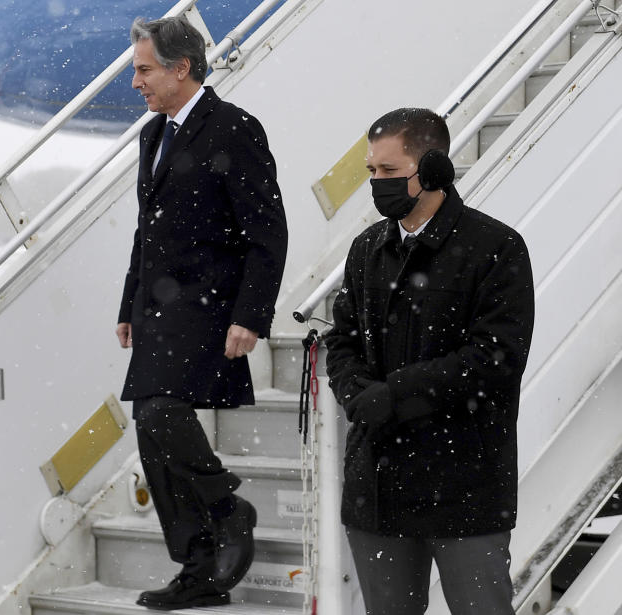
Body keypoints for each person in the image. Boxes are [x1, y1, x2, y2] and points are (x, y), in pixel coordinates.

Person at [324, 108, 535, 614]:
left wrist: (394, 394)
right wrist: (354, 392)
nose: (377, 183)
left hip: (465, 486)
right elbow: (342, 339)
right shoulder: (366, 250)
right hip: (377, 485)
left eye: (390, 172)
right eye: (372, 171)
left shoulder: (496, 248)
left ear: (434, 170)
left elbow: (495, 358)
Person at [116, 16, 288, 611]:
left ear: (181, 67)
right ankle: (196, 567)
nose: (135, 81)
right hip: (159, 306)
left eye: (143, 69)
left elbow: (268, 231)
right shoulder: (151, 135)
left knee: (162, 411)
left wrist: (252, 315)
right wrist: (129, 301)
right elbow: (148, 229)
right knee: (149, 425)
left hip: (211, 304)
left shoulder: (234, 128)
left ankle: (226, 506)